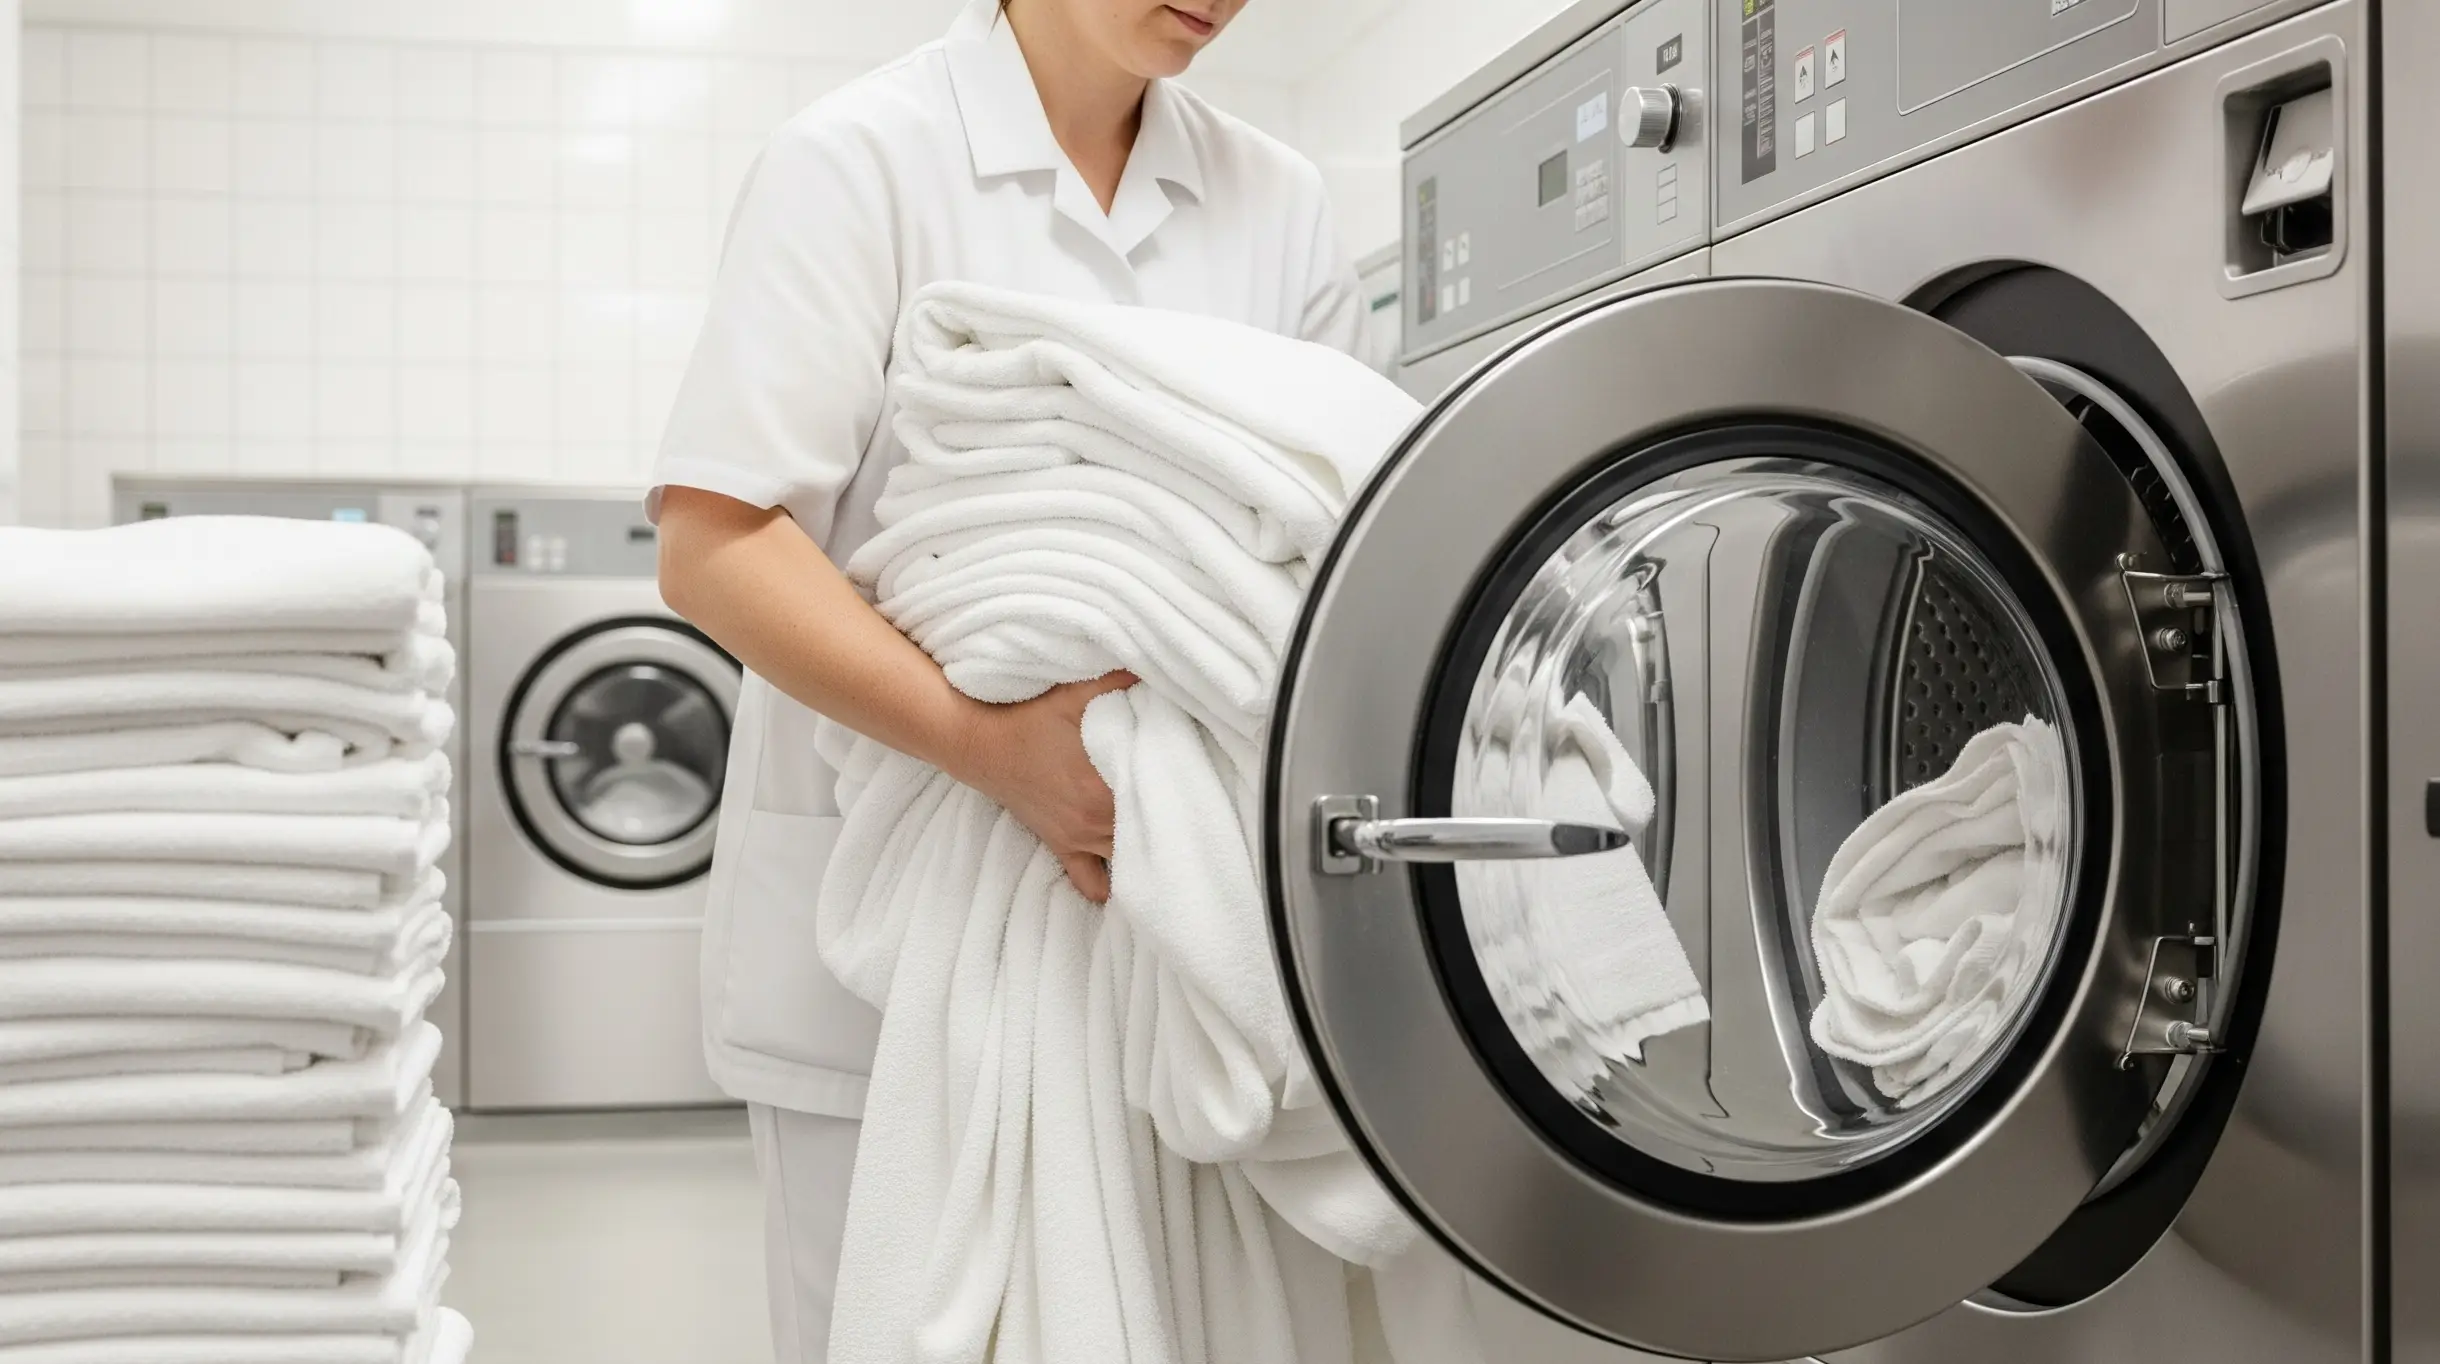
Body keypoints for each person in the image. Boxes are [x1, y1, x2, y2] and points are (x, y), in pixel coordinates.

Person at [646, 0, 1366, 1358]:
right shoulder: (859, 159)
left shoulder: (1282, 203)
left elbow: (1326, 539)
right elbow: (717, 545)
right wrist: (994, 751)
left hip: (1183, 940)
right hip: (881, 948)